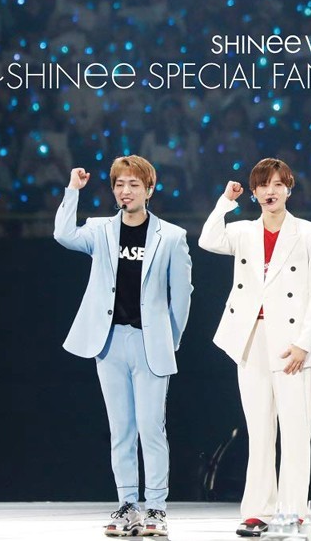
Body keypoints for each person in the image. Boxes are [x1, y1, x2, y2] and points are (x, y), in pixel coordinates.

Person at [54, 155, 193, 537]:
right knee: (121, 430)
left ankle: (157, 508)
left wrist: (169, 339)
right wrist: (73, 190)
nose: (125, 191)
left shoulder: (171, 236)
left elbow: (182, 296)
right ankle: (128, 504)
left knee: (151, 429)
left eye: (133, 184)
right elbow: (63, 234)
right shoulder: (100, 230)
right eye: (119, 184)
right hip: (110, 342)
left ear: (149, 189)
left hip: (150, 344)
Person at [199, 158, 311, 538]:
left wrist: (304, 343)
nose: (270, 191)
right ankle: (258, 511)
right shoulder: (243, 231)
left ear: (289, 189)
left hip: (292, 343)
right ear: (254, 192)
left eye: (277, 184)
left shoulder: (310, 235)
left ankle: (293, 512)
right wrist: (226, 201)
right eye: (262, 185)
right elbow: (208, 239)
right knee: (258, 431)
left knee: (295, 432)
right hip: (251, 338)